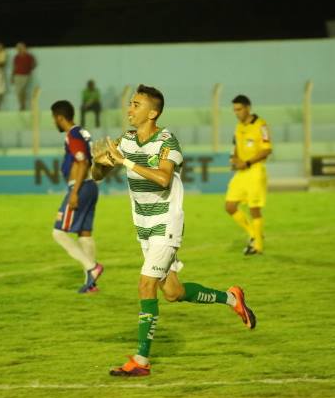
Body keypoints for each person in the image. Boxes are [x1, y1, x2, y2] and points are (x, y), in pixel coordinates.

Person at [91, 84, 256, 377]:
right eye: (130, 103)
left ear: (153, 112)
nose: (130, 109)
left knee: (145, 284)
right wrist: (100, 162)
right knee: (173, 292)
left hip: (167, 222)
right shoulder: (127, 140)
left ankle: (141, 362)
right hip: (143, 225)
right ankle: (232, 298)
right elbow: (99, 175)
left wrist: (125, 161)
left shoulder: (167, 141)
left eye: (136, 104)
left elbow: (164, 179)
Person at [50, 100, 104, 293]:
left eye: (53, 119)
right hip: (90, 187)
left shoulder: (72, 135)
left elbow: (81, 163)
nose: (53, 122)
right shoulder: (82, 132)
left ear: (59, 117)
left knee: (58, 232)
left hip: (80, 188)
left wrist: (74, 192)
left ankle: (92, 268)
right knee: (84, 233)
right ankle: (91, 284)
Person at [224, 95, 272, 256]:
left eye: (239, 109)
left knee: (254, 209)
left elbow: (267, 150)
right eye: (234, 110)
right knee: (230, 206)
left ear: (248, 108)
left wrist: (248, 162)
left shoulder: (261, 125)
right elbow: (235, 147)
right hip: (242, 172)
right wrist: (235, 159)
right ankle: (254, 233)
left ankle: (258, 246)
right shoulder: (239, 127)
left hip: (255, 170)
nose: (236, 113)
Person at [11, 42, 36, 111]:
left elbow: (33, 64)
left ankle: (23, 105)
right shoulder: (16, 57)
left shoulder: (29, 56)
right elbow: (14, 67)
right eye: (18, 48)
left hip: (25, 76)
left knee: (23, 90)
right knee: (18, 91)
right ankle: (21, 105)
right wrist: (12, 77)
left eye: (20, 47)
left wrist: (29, 70)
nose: (19, 49)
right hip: (17, 75)